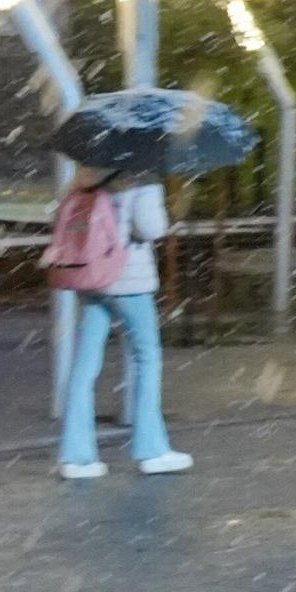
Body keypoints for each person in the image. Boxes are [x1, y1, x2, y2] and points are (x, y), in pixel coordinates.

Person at [57, 166, 193, 480]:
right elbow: (150, 228)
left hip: (93, 276)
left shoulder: (88, 172)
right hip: (128, 278)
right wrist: (165, 212)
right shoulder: (142, 175)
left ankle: (77, 456)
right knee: (146, 356)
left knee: (85, 364)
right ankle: (152, 450)